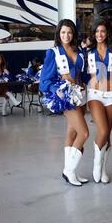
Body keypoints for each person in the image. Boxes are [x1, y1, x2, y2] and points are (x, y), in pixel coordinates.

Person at [40, 19, 89, 186]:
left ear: (73, 34)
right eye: (63, 32)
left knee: (72, 133)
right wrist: (57, 90)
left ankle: (71, 171)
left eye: (69, 32)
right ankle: (68, 171)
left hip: (81, 95)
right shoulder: (52, 53)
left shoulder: (80, 51)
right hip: (66, 97)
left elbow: (84, 75)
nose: (66, 35)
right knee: (84, 134)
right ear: (58, 34)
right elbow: (44, 81)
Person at [84, 20, 112, 184]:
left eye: (102, 31)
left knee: (107, 133)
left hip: (110, 95)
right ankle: (96, 166)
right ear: (93, 34)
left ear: (107, 32)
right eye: (96, 31)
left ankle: (103, 169)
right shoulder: (88, 51)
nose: (99, 34)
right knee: (102, 130)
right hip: (94, 94)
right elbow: (83, 73)